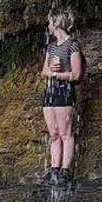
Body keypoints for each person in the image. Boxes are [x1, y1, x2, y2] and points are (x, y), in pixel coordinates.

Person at [41, 9, 83, 186]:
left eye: (50, 23)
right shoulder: (51, 47)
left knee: (66, 133)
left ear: (56, 24)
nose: (48, 26)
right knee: (54, 134)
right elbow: (43, 72)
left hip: (64, 90)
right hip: (50, 91)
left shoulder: (72, 45)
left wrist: (58, 74)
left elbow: (77, 74)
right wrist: (50, 71)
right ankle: (54, 170)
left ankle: (65, 171)